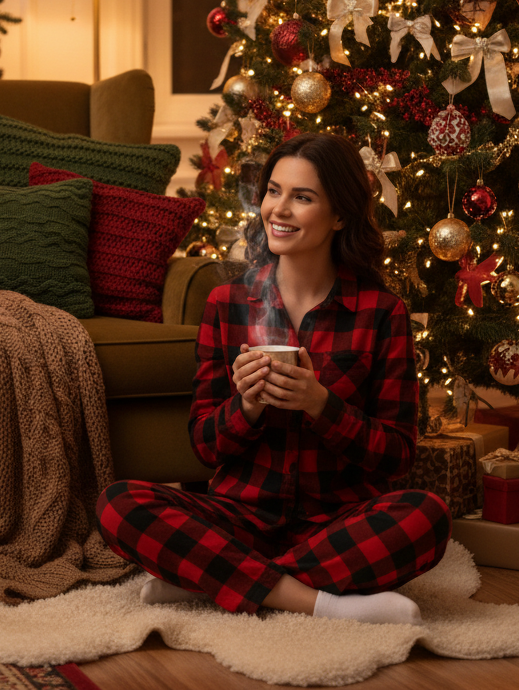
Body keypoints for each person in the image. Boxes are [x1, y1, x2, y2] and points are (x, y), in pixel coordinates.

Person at [97, 133, 451, 626]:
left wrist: (321, 405)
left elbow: (397, 456)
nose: (278, 210)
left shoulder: (380, 313)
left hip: (336, 524)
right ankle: (319, 603)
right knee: (119, 504)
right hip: (239, 519)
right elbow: (204, 447)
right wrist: (246, 408)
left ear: (340, 215)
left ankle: (211, 582)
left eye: (302, 197)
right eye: (273, 191)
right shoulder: (228, 303)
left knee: (426, 516)